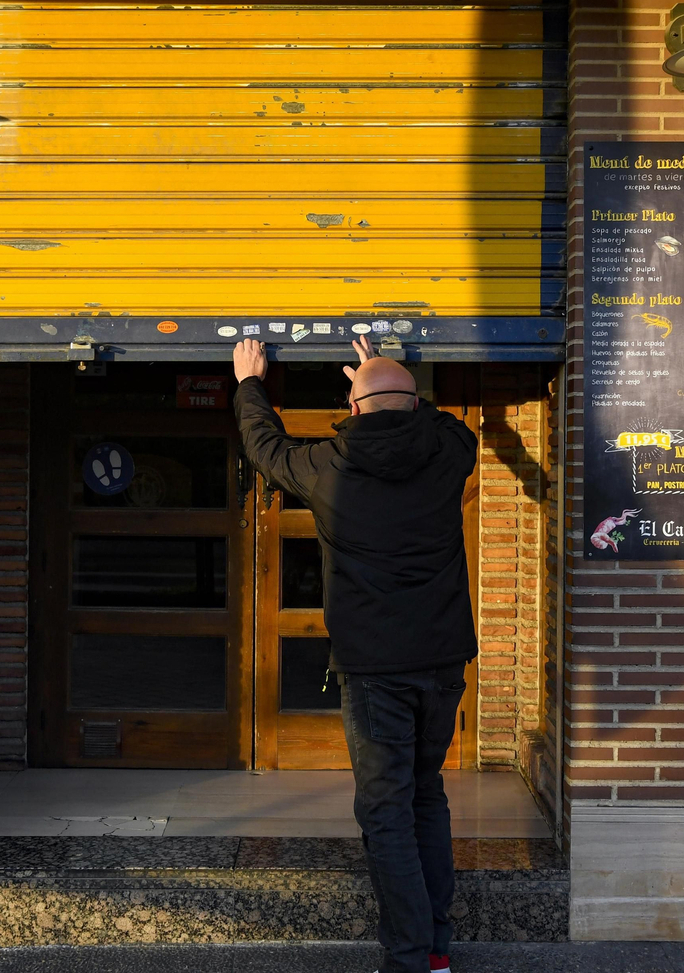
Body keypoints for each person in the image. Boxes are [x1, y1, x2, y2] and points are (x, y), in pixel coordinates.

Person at [232, 335, 478, 973]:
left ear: (353, 405)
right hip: (444, 662)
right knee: (426, 794)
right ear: (414, 403)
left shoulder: (328, 466)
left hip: (373, 671)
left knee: (385, 808)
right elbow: (450, 426)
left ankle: (409, 959)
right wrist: (388, 376)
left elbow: (264, 448)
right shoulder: (448, 452)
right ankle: (436, 951)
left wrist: (250, 383)